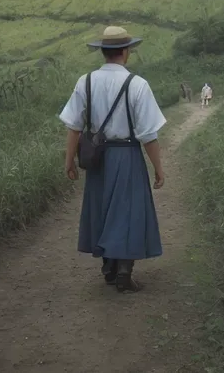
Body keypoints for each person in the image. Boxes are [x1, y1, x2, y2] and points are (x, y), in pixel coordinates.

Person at [59, 25, 166, 293]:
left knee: (102, 209)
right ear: (126, 52)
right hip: (127, 155)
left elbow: (73, 126)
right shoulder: (138, 85)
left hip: (98, 158)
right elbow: (148, 135)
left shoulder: (85, 82)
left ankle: (108, 268)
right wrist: (159, 169)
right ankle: (124, 272)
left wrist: (69, 160)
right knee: (128, 211)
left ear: (103, 52)